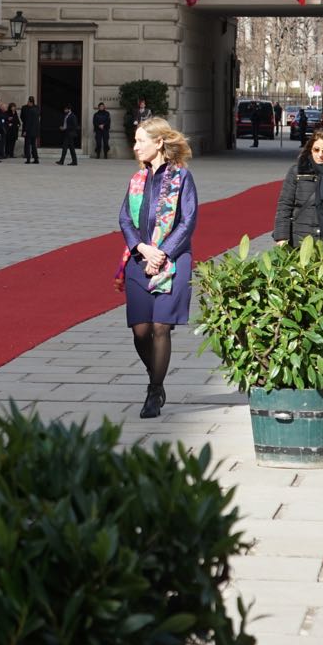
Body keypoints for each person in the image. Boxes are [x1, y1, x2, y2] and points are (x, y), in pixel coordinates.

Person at [117, 116, 198, 420]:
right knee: (140, 331)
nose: (135, 146)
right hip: (139, 258)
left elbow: (188, 221)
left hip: (173, 259)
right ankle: (156, 373)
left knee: (160, 327)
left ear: (159, 142)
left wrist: (162, 253)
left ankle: (154, 390)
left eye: (140, 140)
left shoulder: (181, 178)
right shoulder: (137, 179)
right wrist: (142, 248)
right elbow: (125, 218)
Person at [20, 97, 41, 164]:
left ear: (30, 102)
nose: (27, 103)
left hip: (29, 131)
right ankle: (36, 159)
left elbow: (27, 121)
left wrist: (25, 131)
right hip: (35, 130)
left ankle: (28, 159)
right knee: (34, 145)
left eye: (28, 102)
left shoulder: (30, 111)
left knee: (27, 145)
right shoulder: (36, 110)